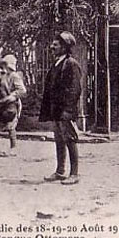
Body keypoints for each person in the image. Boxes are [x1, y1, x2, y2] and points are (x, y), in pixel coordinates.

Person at [39, 32, 81, 185]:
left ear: (64, 47)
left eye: (56, 45)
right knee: (59, 140)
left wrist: (67, 111)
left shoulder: (71, 64)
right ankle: (60, 171)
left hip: (65, 111)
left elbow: (75, 89)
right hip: (56, 110)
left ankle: (74, 174)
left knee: (70, 139)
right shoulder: (57, 64)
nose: (52, 47)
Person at [0, 54, 27, 154]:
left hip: (12, 103)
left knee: (11, 125)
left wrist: (11, 96)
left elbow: (22, 90)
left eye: (4, 64)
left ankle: (14, 148)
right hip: (3, 103)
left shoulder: (14, 76)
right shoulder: (3, 75)